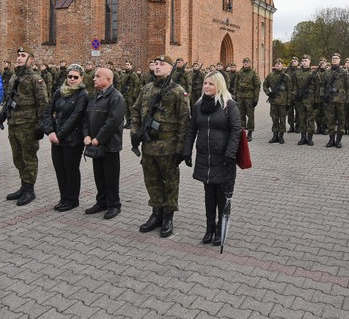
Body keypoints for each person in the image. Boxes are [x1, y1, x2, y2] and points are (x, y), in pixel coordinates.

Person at [130, 55, 190, 237]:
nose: (157, 67)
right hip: (148, 145)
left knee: (170, 182)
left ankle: (168, 217)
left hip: (168, 146)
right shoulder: (146, 88)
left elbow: (184, 121)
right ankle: (156, 213)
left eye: (162, 64)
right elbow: (135, 110)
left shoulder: (178, 91)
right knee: (152, 181)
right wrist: (135, 132)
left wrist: (181, 149)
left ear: (171, 68)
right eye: (155, 64)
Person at [184, 71, 242, 245]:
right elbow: (192, 129)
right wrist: (187, 151)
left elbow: (236, 130)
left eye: (211, 84)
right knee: (208, 195)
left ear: (219, 85)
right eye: (205, 83)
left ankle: (220, 228)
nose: (207, 87)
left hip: (223, 158)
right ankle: (209, 228)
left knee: (221, 195)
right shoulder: (198, 105)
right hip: (204, 158)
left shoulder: (229, 105)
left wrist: (231, 153)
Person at [0, 48, 47, 206]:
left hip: (28, 124)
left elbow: (43, 102)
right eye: (18, 55)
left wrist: (41, 123)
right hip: (13, 123)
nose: (19, 58)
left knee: (29, 157)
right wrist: (2, 113)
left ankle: (30, 190)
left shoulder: (36, 78)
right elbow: (9, 97)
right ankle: (23, 185)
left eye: (23, 56)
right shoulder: (14, 76)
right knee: (17, 157)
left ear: (31, 60)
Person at [42, 64, 88, 211]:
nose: (72, 79)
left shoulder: (83, 95)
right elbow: (48, 112)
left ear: (81, 78)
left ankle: (72, 199)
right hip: (56, 138)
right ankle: (63, 198)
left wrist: (59, 135)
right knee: (59, 169)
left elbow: (75, 117)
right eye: (70, 76)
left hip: (72, 139)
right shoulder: (59, 92)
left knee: (71, 169)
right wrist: (50, 132)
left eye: (76, 77)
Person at [83, 67, 126, 219]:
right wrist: (86, 135)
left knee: (111, 176)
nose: (94, 79)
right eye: (94, 76)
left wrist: (99, 138)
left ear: (108, 80)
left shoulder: (116, 97)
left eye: (98, 76)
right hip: (95, 144)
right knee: (99, 175)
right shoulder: (94, 97)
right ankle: (101, 202)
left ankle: (114, 205)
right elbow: (86, 118)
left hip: (110, 145)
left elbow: (112, 122)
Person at [321, 53, 349, 148]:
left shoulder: (344, 72)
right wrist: (323, 96)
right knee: (330, 120)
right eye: (333, 58)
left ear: (340, 60)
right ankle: (331, 140)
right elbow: (322, 85)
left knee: (341, 121)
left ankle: (338, 141)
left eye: (337, 58)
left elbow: (348, 87)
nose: (334, 60)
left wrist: (348, 100)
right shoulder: (327, 72)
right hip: (329, 100)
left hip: (340, 100)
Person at [262, 58, 290, 144]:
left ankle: (281, 136)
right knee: (274, 118)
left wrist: (289, 102)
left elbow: (290, 90)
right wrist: (268, 93)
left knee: (282, 119)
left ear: (282, 65)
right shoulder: (270, 75)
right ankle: (275, 135)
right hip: (273, 101)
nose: (277, 65)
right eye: (276, 63)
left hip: (282, 102)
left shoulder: (286, 77)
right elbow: (265, 85)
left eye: (279, 63)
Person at [292, 55, 318, 146]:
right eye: (303, 61)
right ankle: (303, 137)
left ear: (310, 61)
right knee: (302, 119)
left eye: (306, 60)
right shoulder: (297, 73)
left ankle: (310, 138)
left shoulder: (314, 74)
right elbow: (294, 85)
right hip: (300, 99)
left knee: (310, 119)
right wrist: (295, 95)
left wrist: (316, 101)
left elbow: (317, 88)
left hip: (310, 100)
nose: (304, 62)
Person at [233, 57, 260, 142]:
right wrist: (235, 96)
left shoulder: (253, 73)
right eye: (244, 62)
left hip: (249, 97)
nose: (245, 63)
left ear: (250, 63)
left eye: (247, 62)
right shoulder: (239, 72)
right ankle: (242, 132)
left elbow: (257, 86)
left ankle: (250, 133)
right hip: (240, 96)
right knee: (241, 115)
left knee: (250, 115)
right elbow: (236, 84)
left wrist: (256, 98)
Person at [118, 60, 140, 129]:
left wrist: (135, 94)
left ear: (131, 65)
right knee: (126, 110)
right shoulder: (124, 74)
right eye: (126, 64)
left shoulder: (134, 75)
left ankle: (132, 123)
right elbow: (121, 83)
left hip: (131, 95)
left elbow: (137, 85)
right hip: (125, 94)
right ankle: (127, 122)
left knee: (131, 110)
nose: (126, 66)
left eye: (128, 64)